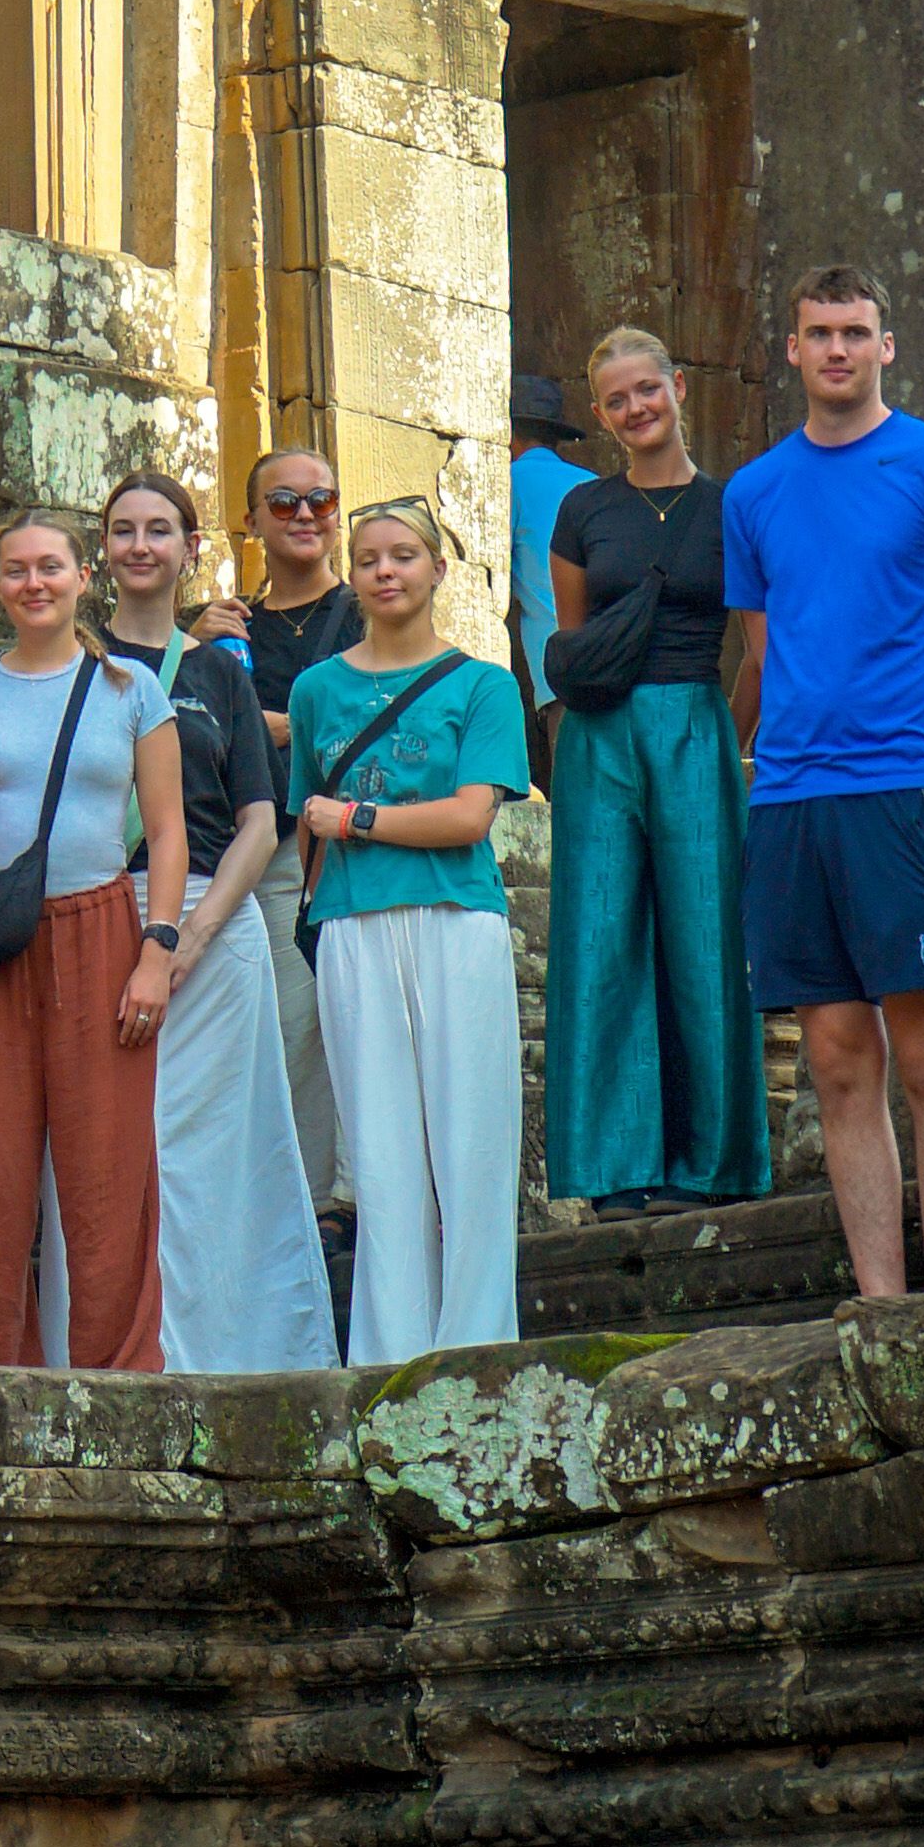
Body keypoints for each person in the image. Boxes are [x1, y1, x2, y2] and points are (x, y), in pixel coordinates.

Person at [723, 264, 924, 1298]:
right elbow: (763, 659)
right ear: (793, 351)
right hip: (791, 803)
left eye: (855, 331)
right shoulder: (753, 492)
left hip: (905, 795)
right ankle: (879, 1301)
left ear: (884, 345)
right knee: (838, 1059)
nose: (837, 349)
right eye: (818, 333)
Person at [38, 476, 336, 1374]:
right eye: (123, 530)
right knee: (99, 1149)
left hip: (214, 925)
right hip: (97, 918)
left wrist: (192, 936)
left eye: (159, 530)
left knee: (222, 1156)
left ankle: (237, 1359)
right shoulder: (67, 668)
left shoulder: (217, 675)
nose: (141, 546)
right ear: (99, 557)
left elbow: (257, 818)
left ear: (190, 549)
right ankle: (106, 1351)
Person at [0, 508, 186, 1369]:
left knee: (107, 1172)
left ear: (83, 575)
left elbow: (165, 833)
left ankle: (119, 1383)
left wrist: (156, 951)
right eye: (16, 570)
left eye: (50, 566)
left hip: (98, 933)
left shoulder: (131, 688)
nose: (35, 583)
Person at [289, 500, 530, 1365]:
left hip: (457, 919)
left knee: (472, 1140)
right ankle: (389, 1353)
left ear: (436, 569)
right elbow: (302, 819)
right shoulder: (316, 691)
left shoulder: (485, 685)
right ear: (351, 576)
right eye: (368, 558)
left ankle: (477, 1347)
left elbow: (468, 820)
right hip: (352, 925)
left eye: (403, 555)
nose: (385, 570)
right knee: (380, 1153)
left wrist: (355, 817)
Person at [542, 330, 768, 1214]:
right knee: (599, 937)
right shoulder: (583, 511)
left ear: (677, 386)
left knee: (705, 940)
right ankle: (609, 1170)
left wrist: (723, 734)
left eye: (648, 390)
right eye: (617, 400)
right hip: (600, 734)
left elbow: (756, 650)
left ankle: (709, 1165)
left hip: (695, 720)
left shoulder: (731, 508)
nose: (637, 409)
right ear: (599, 416)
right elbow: (571, 641)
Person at [191, 445, 357, 1207]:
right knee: (227, 1039)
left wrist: (269, 728)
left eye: (320, 501)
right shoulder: (226, 629)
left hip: (313, 851)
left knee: (300, 1035)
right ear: (251, 520)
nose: (303, 516)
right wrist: (189, 648)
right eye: (284, 502)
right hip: (224, 852)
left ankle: (308, 1202)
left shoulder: (362, 610)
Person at [509, 371, 595, 769]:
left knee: (576, 804)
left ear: (509, 436)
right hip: (615, 659)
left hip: (557, 670)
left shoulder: (510, 480)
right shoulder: (594, 484)